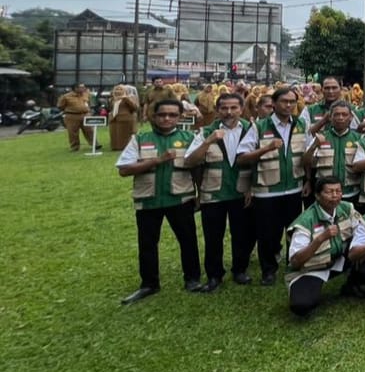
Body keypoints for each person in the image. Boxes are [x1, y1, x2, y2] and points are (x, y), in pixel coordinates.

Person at [115, 98, 203, 304]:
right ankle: (149, 284)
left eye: (173, 115)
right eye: (162, 114)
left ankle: (192, 279)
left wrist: (200, 194)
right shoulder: (140, 138)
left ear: (180, 117)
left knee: (188, 240)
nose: (167, 118)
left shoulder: (189, 138)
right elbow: (124, 169)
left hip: (180, 198)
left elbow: (197, 168)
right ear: (154, 116)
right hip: (149, 200)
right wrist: (156, 160)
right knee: (147, 243)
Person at [236, 87, 307, 286]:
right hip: (267, 191)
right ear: (274, 104)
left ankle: (293, 264)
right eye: (284, 101)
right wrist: (265, 148)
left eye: (292, 101)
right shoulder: (259, 127)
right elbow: (241, 158)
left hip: (294, 188)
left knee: (294, 231)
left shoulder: (301, 124)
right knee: (267, 233)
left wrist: (308, 180)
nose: (288, 105)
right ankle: (269, 270)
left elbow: (307, 156)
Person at [184, 92, 254, 291]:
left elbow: (257, 163)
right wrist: (208, 142)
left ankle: (240, 270)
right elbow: (189, 161)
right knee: (213, 236)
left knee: (241, 234)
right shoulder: (206, 132)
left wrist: (252, 188)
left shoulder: (251, 130)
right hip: (214, 193)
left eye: (234, 108)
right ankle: (214, 275)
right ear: (217, 110)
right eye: (224, 108)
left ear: (241, 109)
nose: (229, 112)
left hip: (241, 192)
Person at [284, 177, 363, 317]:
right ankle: (308, 289)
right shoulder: (305, 221)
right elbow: (296, 261)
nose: (335, 196)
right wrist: (320, 239)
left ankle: (353, 283)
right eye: (329, 192)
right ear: (317, 195)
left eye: (338, 191)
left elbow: (363, 229)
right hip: (311, 268)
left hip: (338, 259)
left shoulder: (346, 208)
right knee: (301, 305)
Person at [302, 100, 362, 207]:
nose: (340, 117)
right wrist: (314, 145)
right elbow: (305, 162)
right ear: (330, 117)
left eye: (344, 114)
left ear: (351, 118)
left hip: (351, 193)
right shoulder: (320, 137)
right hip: (326, 196)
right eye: (337, 114)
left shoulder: (359, 139)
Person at [58, 82, 93, 152]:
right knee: (73, 132)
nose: (83, 88)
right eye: (81, 87)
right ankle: (75, 147)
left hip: (85, 115)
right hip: (72, 116)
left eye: (84, 87)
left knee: (89, 130)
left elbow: (89, 104)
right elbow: (60, 106)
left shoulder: (86, 94)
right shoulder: (66, 96)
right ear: (76, 88)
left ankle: (94, 144)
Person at [108, 85, 139, 152]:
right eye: (116, 89)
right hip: (114, 119)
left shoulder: (127, 98)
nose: (118, 91)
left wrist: (126, 99)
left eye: (120, 89)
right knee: (115, 134)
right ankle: (115, 147)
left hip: (125, 118)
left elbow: (134, 108)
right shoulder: (113, 99)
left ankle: (125, 147)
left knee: (124, 134)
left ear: (124, 90)